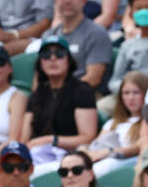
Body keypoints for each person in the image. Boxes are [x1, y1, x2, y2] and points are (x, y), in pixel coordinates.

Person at [21, 35, 98, 168]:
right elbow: (24, 138)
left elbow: (87, 137)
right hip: (36, 155)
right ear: (40, 62)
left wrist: (51, 140)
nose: (53, 59)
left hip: (70, 158)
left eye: (59, 54)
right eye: (46, 55)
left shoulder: (82, 90)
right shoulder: (36, 95)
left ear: (69, 60)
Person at [42, 0, 113, 91]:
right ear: (55, 1)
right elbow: (39, 75)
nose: (67, 1)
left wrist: (61, 94)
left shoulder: (96, 33)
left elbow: (93, 78)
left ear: (83, 1)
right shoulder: (49, 36)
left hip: (86, 95)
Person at [87, 71, 148, 176]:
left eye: (136, 92)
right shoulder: (112, 122)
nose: (131, 98)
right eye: (126, 93)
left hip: (125, 163)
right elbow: (98, 144)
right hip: (102, 160)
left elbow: (139, 147)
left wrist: (111, 152)